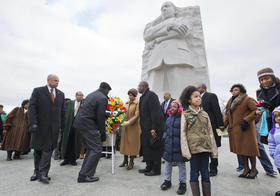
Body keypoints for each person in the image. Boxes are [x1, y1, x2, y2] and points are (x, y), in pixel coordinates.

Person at [180, 86, 217, 196]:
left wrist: (214, 150)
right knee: (194, 172)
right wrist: (186, 151)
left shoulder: (205, 114)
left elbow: (210, 132)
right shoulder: (186, 114)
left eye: (199, 97)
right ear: (189, 100)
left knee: (205, 172)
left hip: (205, 148)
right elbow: (183, 133)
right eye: (195, 97)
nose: (198, 99)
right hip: (194, 150)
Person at [28, 74, 65, 184]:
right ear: (48, 80)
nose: (57, 82)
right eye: (55, 80)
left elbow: (63, 111)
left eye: (58, 81)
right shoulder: (38, 91)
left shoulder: (60, 94)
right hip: (39, 127)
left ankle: (43, 173)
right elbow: (32, 108)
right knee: (38, 150)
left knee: (48, 150)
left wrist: (62, 125)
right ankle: (36, 171)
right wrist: (33, 123)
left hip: (53, 128)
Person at [73, 82, 111, 183]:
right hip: (88, 125)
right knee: (96, 149)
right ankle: (84, 175)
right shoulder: (102, 98)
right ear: (106, 89)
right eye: (108, 91)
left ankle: (84, 174)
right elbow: (100, 116)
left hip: (79, 124)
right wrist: (103, 133)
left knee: (91, 149)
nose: (108, 93)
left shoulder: (92, 94)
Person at [224, 84, 259, 179]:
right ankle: (246, 169)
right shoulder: (230, 101)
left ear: (241, 90)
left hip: (246, 129)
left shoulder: (248, 99)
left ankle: (254, 169)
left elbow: (256, 110)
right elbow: (228, 114)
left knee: (250, 150)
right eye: (232, 90)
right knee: (242, 151)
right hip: (236, 130)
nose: (234, 92)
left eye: (236, 90)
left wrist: (246, 120)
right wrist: (224, 124)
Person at [160, 100, 187, 195]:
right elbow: (166, 130)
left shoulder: (183, 118)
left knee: (181, 164)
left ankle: (182, 183)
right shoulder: (169, 118)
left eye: (175, 106)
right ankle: (167, 181)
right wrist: (165, 138)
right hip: (169, 144)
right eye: (171, 106)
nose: (172, 108)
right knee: (167, 163)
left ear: (179, 108)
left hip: (178, 146)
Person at [197, 83, 224, 177]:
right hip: (201, 128)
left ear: (204, 88)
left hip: (212, 126)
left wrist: (221, 126)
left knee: (213, 148)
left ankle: (213, 169)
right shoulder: (197, 99)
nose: (197, 89)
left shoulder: (211, 96)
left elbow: (217, 111)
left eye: (199, 87)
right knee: (204, 148)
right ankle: (204, 168)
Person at [138, 81, 164, 176]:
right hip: (145, 129)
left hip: (151, 129)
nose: (138, 88)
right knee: (147, 149)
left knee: (154, 149)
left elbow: (155, 113)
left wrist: (154, 128)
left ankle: (156, 170)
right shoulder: (144, 97)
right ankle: (149, 167)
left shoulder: (151, 95)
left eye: (139, 86)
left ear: (144, 87)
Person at [119, 88, 141, 170]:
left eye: (131, 95)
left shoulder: (137, 103)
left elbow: (136, 115)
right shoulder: (127, 103)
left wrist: (129, 122)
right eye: (129, 95)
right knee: (125, 144)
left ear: (135, 95)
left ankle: (131, 161)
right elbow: (123, 112)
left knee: (132, 144)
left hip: (133, 127)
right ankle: (125, 160)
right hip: (126, 127)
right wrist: (120, 120)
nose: (129, 96)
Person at [60, 91, 84, 166]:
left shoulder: (84, 104)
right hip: (68, 125)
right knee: (66, 141)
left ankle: (73, 159)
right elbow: (62, 113)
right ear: (76, 95)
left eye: (82, 95)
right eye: (79, 95)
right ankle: (65, 159)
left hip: (78, 127)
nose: (80, 97)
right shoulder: (69, 103)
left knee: (76, 142)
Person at [268, 106, 280, 196]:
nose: (278, 118)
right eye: (275, 116)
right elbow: (271, 143)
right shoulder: (273, 131)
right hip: (278, 158)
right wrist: (273, 154)